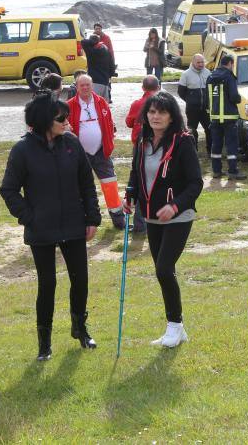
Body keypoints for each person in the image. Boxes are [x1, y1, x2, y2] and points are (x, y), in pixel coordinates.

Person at [0, 93, 101, 360]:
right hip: (41, 229)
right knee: (48, 284)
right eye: (61, 118)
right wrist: (29, 217)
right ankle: (44, 342)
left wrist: (92, 218)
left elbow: (87, 184)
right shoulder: (22, 150)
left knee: (80, 279)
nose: (67, 122)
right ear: (44, 121)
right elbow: (8, 189)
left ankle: (80, 328)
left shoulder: (71, 144)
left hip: (74, 224)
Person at [123, 92, 203, 348]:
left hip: (179, 216)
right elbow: (136, 173)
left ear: (171, 117)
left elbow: (195, 183)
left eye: (162, 112)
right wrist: (130, 195)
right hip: (152, 215)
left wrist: (175, 205)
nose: (155, 116)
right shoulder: (142, 142)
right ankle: (178, 329)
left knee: (163, 269)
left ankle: (174, 326)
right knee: (164, 272)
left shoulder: (183, 142)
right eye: (152, 112)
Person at [67, 75, 126, 230]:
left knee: (110, 184)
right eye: (82, 85)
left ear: (92, 85)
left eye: (88, 85)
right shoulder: (69, 106)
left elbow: (110, 124)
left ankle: (118, 220)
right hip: (79, 154)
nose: (85, 88)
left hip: (101, 152)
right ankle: (82, 220)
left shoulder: (101, 102)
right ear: (77, 87)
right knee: (80, 188)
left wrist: (109, 142)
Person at [125, 75, 160, 233]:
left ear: (142, 88)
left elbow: (129, 122)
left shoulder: (137, 104)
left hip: (140, 146)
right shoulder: (162, 103)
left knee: (140, 181)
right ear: (158, 87)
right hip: (158, 146)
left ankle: (140, 224)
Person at [206, 55, 245, 180]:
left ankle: (216, 170)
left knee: (216, 144)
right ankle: (232, 171)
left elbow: (207, 97)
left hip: (215, 117)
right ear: (230, 63)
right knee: (231, 145)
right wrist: (239, 99)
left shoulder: (210, 77)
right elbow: (234, 96)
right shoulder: (229, 76)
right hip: (229, 117)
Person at [177, 53, 211, 154]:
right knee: (192, 131)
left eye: (202, 62)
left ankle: (210, 151)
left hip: (206, 108)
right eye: (198, 62)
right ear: (193, 62)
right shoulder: (186, 74)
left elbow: (211, 89)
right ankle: (193, 152)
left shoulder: (208, 72)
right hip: (192, 109)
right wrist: (190, 100)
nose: (201, 64)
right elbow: (181, 92)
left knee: (210, 130)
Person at [81, 35, 113, 100]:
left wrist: (92, 41)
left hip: (95, 81)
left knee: (94, 103)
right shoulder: (105, 48)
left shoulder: (92, 51)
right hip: (105, 81)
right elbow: (111, 64)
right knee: (104, 105)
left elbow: (83, 41)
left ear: (92, 42)